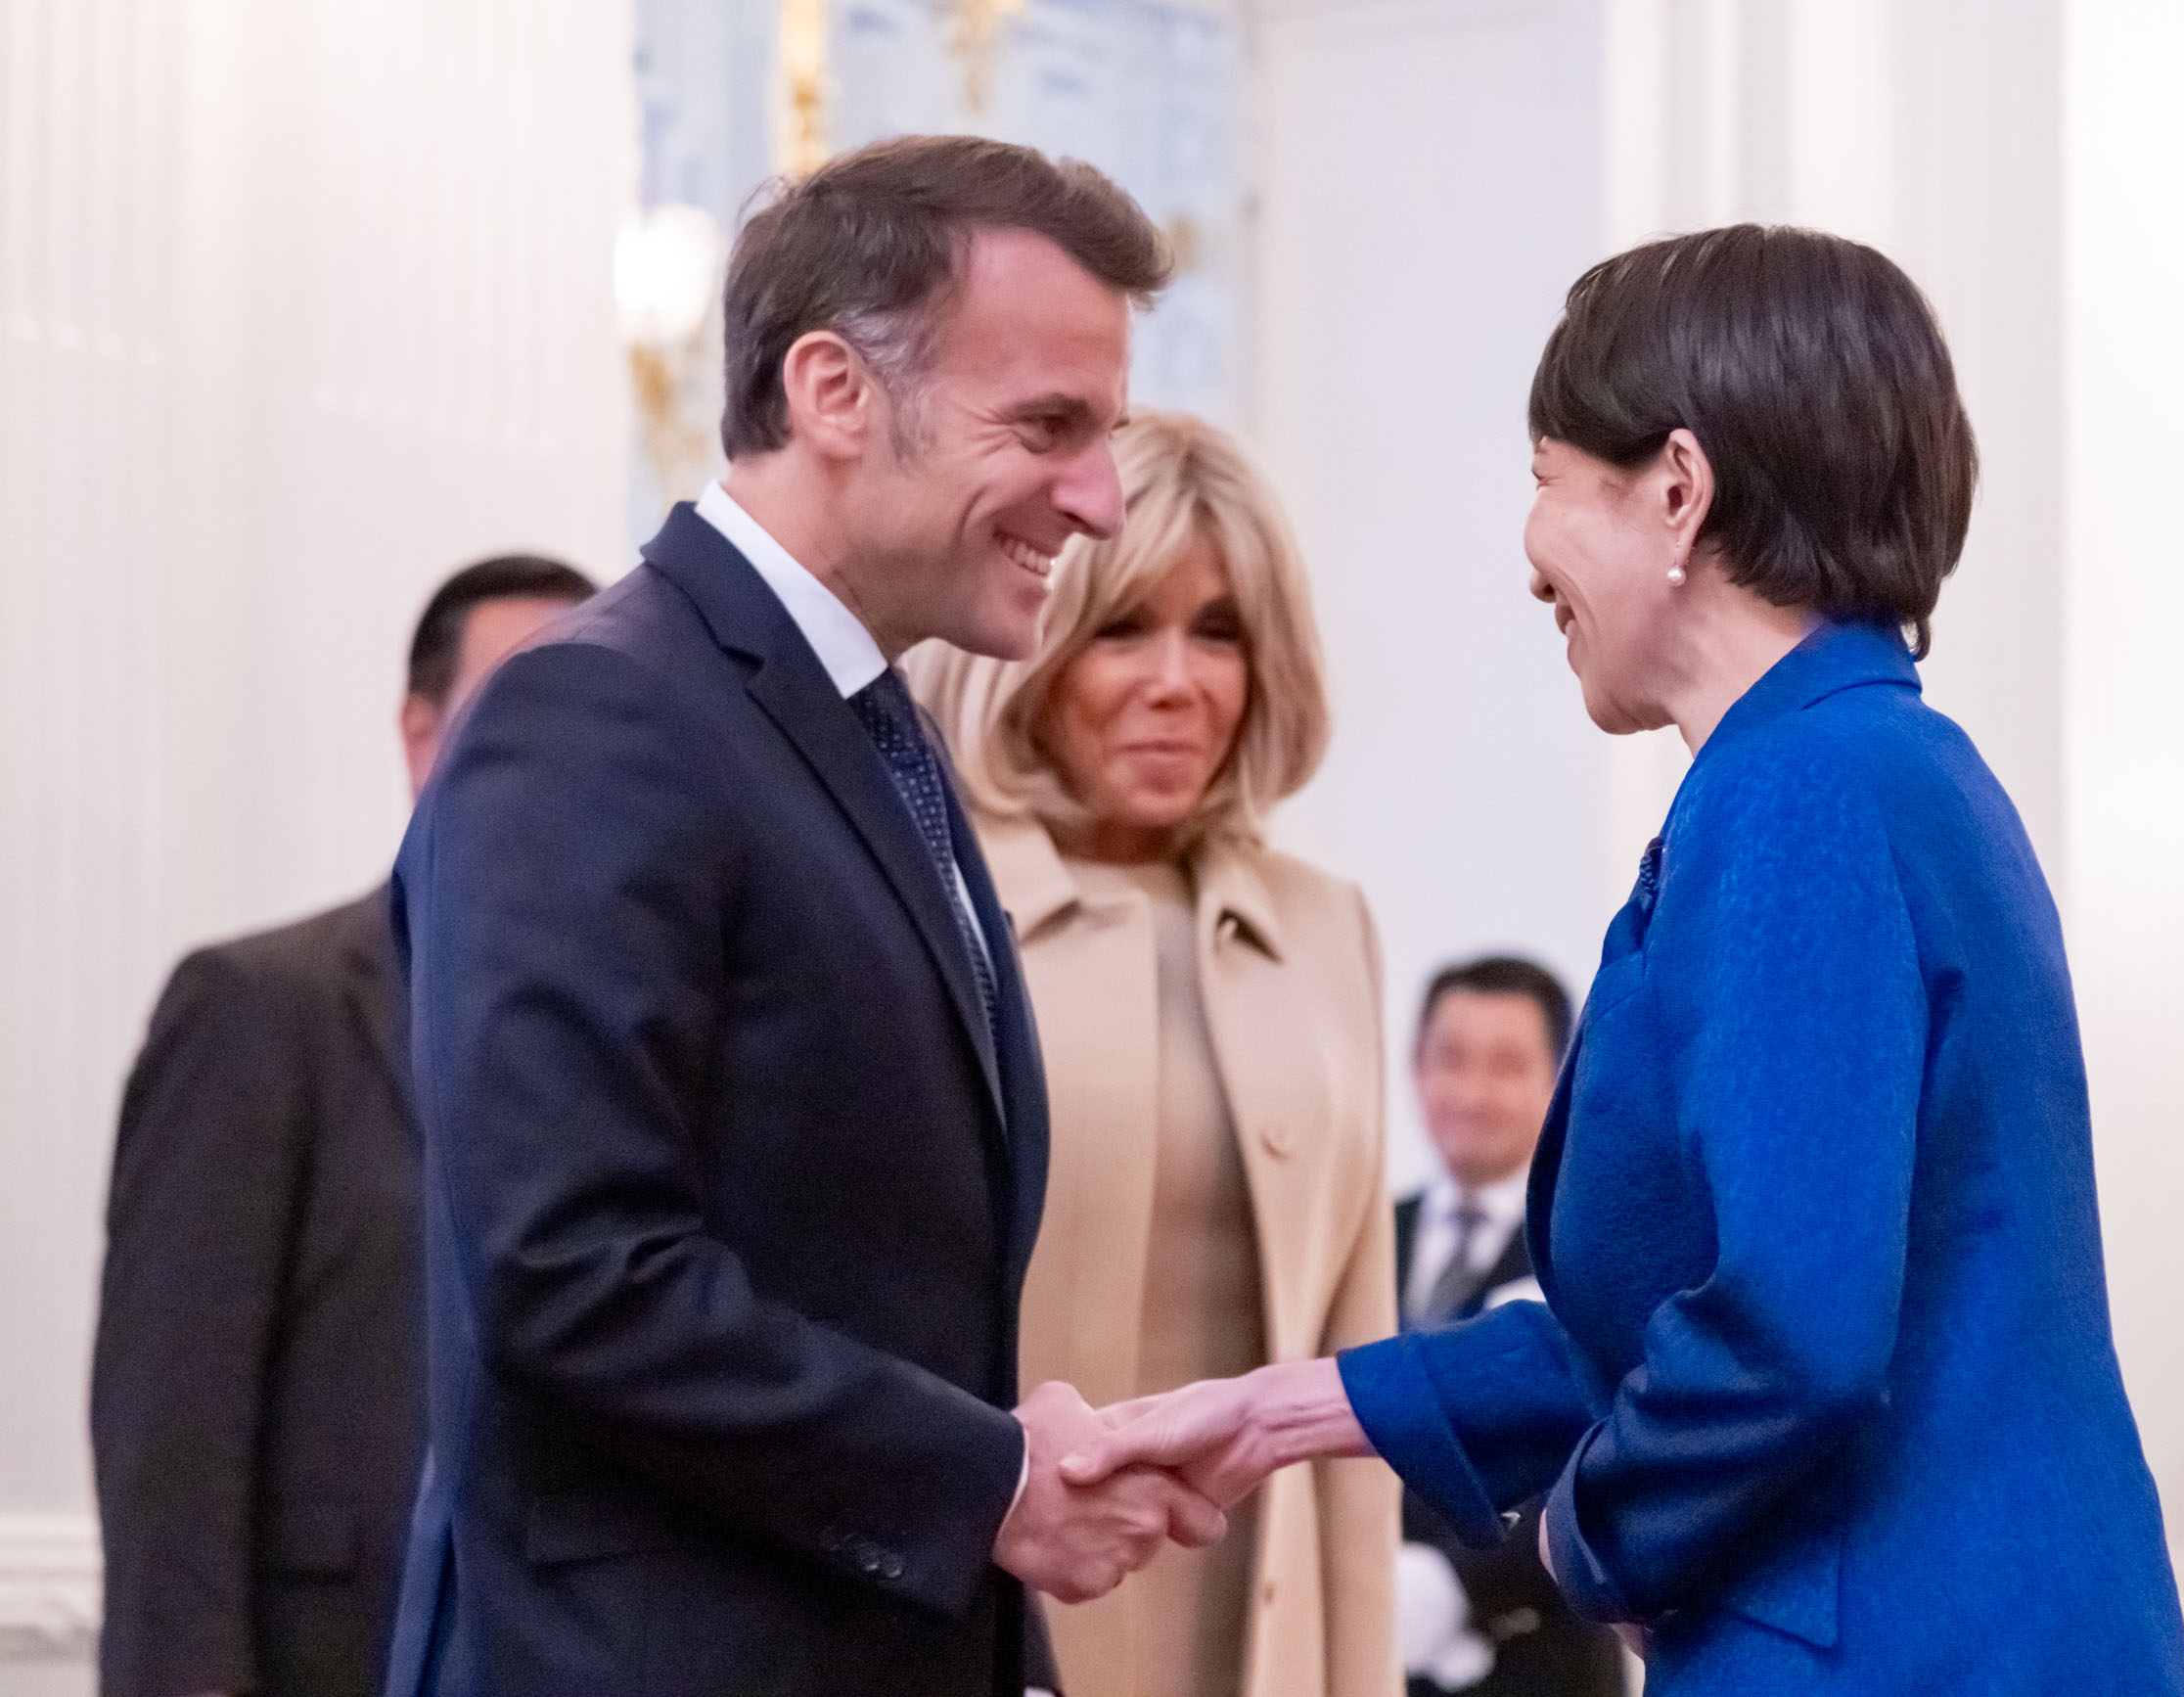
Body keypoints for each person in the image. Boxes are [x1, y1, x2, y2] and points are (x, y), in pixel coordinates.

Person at [1063, 224, 2184, 1693]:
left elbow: (1788, 1335)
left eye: (1547, 483)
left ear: (1677, 487)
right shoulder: (1880, 764)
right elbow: (1653, 1324)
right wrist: (1278, 1410)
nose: (1531, 553)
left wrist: (1580, 1545)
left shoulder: (1802, 792)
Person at [381, 137, 1225, 1697]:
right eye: (1049, 426)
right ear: (835, 391)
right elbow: (571, 1267)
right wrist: (983, 1481)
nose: (1100, 500)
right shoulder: (598, 714)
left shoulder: (866, 731)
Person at [904, 407, 1397, 1697]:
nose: (1177, 679)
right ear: (1033, 649)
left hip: (1262, 1648)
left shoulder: (1322, 922)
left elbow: (1357, 1377)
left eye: (1219, 630)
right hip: (973, 1630)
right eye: (1124, 626)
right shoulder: (922, 911)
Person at [90, 555, 597, 1697]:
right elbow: (173, 1432)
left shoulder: (631, 1041)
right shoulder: (260, 1010)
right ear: (419, 736)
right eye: (511, 710)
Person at [1392, 957, 1617, 1697]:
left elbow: (1606, 1457)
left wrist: (1457, 1583)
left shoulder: (1590, 1253)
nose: (1470, 1093)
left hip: (1538, 1658)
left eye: (1506, 1065)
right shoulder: (1365, 1238)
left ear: (1561, 1078)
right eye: (1449, 1059)